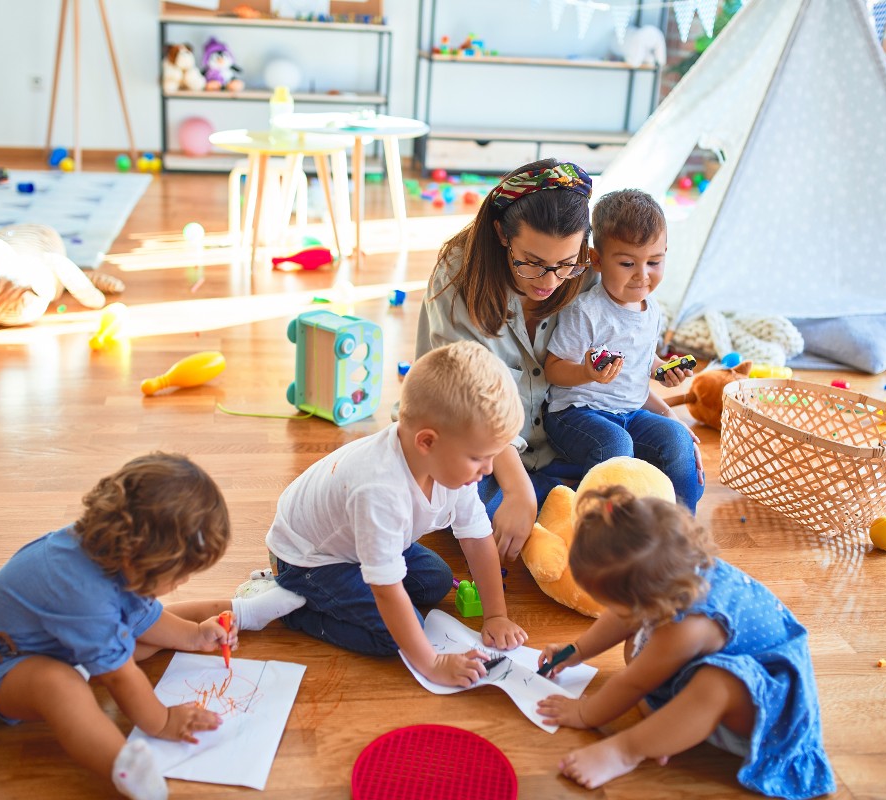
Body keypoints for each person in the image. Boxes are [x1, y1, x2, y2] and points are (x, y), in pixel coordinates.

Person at [232, 341, 529, 688]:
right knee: (397, 639)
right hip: (308, 560)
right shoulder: (379, 490)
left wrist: (496, 615)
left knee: (434, 580)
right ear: (427, 442)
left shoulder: (452, 469)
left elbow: (477, 539)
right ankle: (294, 607)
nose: (489, 469)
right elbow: (388, 591)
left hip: (357, 543)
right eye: (479, 458)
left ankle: (334, 592)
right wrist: (431, 662)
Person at [0, 453, 234, 800]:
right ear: (139, 558)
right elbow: (119, 677)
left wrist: (194, 636)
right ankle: (124, 766)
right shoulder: (81, 590)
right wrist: (161, 721)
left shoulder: (111, 553)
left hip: (51, 646)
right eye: (181, 573)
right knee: (60, 686)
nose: (185, 580)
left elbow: (144, 613)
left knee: (137, 646)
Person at [536, 487, 835, 798]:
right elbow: (623, 618)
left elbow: (631, 685)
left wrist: (585, 714)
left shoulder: (689, 628)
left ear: (643, 599)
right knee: (637, 648)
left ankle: (626, 751)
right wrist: (578, 651)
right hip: (712, 657)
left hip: (768, 707)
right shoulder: (666, 572)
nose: (609, 608)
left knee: (715, 685)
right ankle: (672, 730)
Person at [416, 159, 595, 562]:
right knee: (480, 514)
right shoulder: (458, 275)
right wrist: (517, 489)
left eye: (565, 264)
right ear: (501, 233)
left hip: (559, 442)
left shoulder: (589, 268)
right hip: (475, 443)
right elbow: (475, 399)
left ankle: (555, 504)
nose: (549, 281)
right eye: (531, 262)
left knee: (653, 467)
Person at [542, 189, 704, 512]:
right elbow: (553, 367)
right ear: (598, 260)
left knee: (677, 440)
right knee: (616, 445)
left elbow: (643, 361)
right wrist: (586, 372)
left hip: (629, 413)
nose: (642, 275)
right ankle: (606, 530)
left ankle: (680, 527)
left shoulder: (652, 309)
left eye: (654, 262)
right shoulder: (587, 311)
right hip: (575, 413)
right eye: (628, 263)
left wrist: (661, 369)